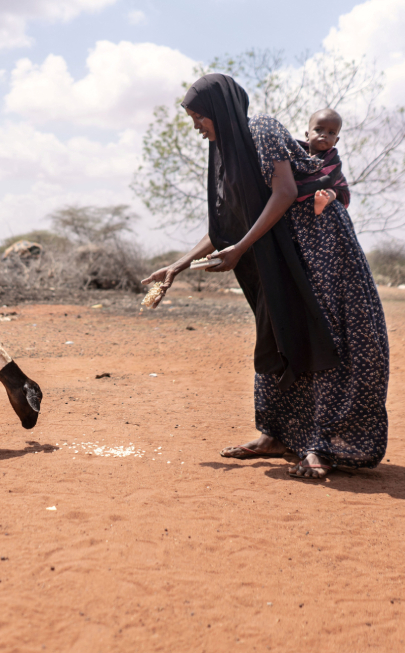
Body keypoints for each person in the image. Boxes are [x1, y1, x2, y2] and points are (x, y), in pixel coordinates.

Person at [141, 74, 389, 479]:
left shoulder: (262, 128)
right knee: (277, 332)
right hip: (283, 253)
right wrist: (177, 265)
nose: (196, 127)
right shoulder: (228, 155)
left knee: (324, 335)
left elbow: (285, 192)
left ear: (220, 110)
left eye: (199, 117)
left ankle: (324, 443)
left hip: (323, 247)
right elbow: (230, 222)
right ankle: (275, 434)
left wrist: (240, 250)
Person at [298, 108, 350, 216]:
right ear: (307, 135)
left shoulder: (332, 159)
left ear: (336, 140)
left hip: (335, 189)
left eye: (331, 133)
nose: (324, 135)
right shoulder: (298, 154)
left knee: (331, 192)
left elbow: (328, 179)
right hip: (309, 192)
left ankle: (322, 203)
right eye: (318, 130)